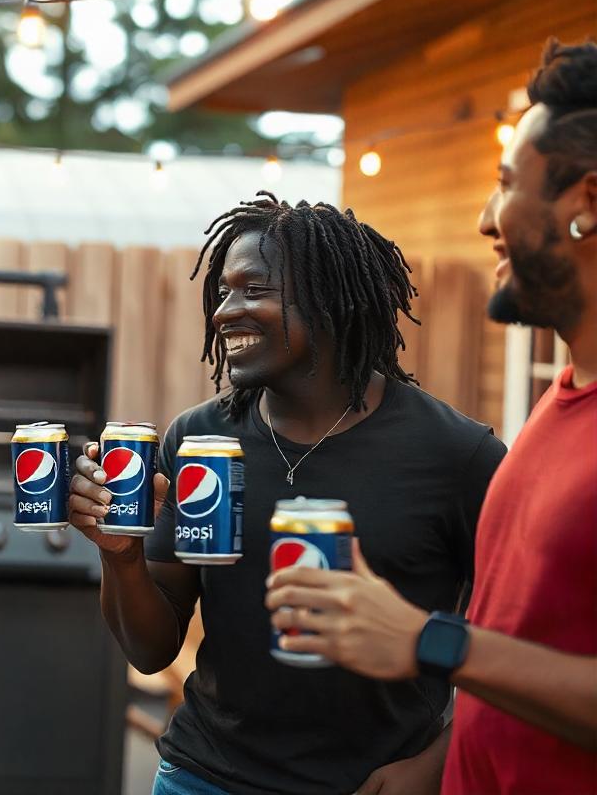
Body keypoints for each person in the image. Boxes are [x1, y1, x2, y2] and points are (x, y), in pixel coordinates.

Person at [68, 193, 507, 794]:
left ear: (331, 302)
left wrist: (435, 762)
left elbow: (508, 646)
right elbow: (150, 650)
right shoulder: (200, 438)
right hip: (204, 778)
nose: (225, 312)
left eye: (254, 290)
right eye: (223, 291)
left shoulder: (457, 455)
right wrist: (118, 556)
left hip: (374, 784)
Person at [266, 38, 597, 794]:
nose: (486, 218)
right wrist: (440, 762)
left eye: (508, 183)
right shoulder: (561, 398)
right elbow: (531, 640)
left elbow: (468, 646)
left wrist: (427, 639)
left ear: (587, 203)